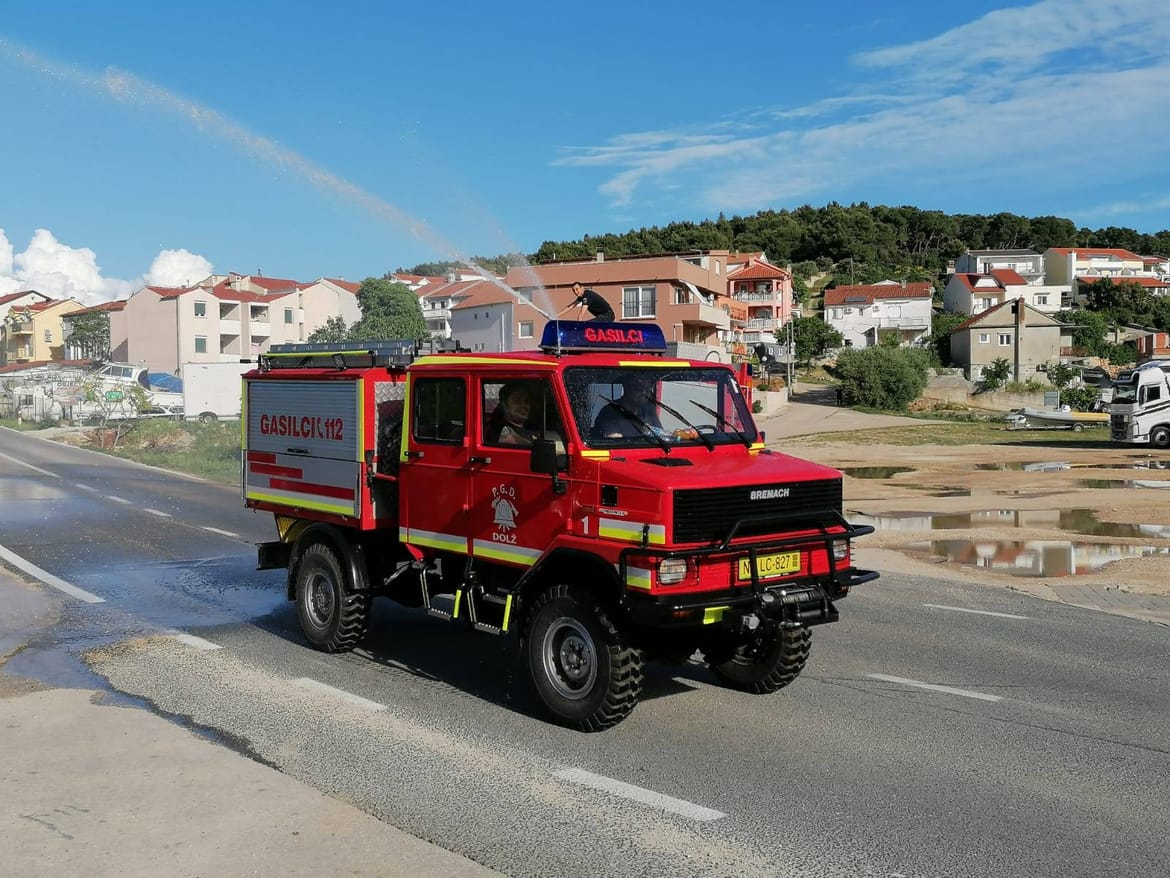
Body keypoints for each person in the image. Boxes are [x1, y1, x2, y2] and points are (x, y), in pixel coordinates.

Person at [593, 373, 662, 439]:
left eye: (648, 389)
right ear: (626, 388)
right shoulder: (609, 412)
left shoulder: (648, 409)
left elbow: (660, 435)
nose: (644, 393)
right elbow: (614, 441)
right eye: (639, 388)